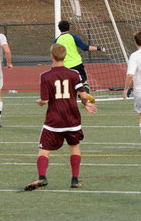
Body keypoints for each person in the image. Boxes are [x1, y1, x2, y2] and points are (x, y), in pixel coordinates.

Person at [24, 43, 98, 191]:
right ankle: (74, 180)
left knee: (44, 150)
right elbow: (83, 95)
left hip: (54, 120)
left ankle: (42, 177)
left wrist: (40, 102)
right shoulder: (74, 74)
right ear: (65, 56)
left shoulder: (45, 76)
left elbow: (45, 100)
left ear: (51, 56)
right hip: (72, 119)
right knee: (74, 147)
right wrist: (85, 104)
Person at [53, 20, 106, 102]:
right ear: (69, 27)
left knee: (69, 85)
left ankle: (74, 98)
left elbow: (55, 55)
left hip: (65, 66)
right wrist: (99, 48)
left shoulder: (56, 41)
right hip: (77, 64)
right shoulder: (73, 37)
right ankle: (85, 97)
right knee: (84, 82)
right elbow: (84, 47)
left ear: (59, 28)